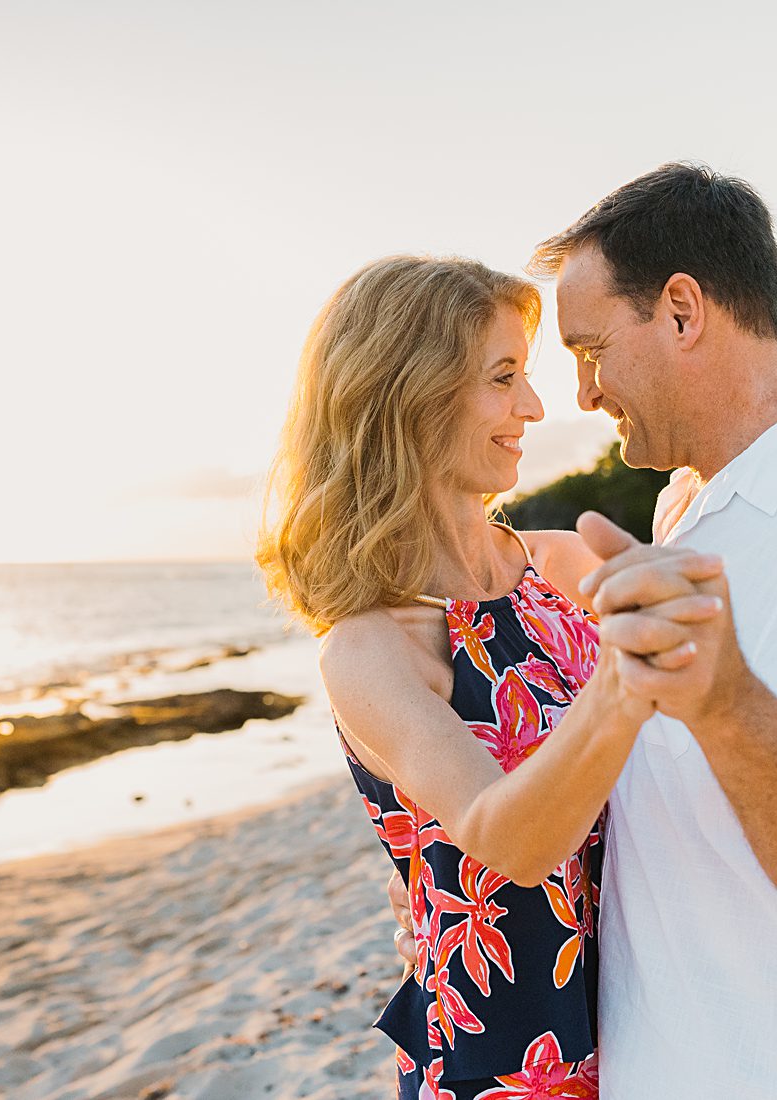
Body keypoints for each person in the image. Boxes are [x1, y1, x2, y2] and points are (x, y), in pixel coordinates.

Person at [390, 164, 777, 1098]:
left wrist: (727, 701)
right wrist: (448, 896)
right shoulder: (696, 510)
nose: (582, 394)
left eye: (591, 350)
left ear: (681, 311)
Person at [256, 254, 722, 1099]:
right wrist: (628, 680)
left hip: (658, 1022)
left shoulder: (565, 565)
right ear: (411, 395)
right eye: (503, 378)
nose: (535, 408)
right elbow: (509, 844)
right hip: (509, 1061)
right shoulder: (370, 651)